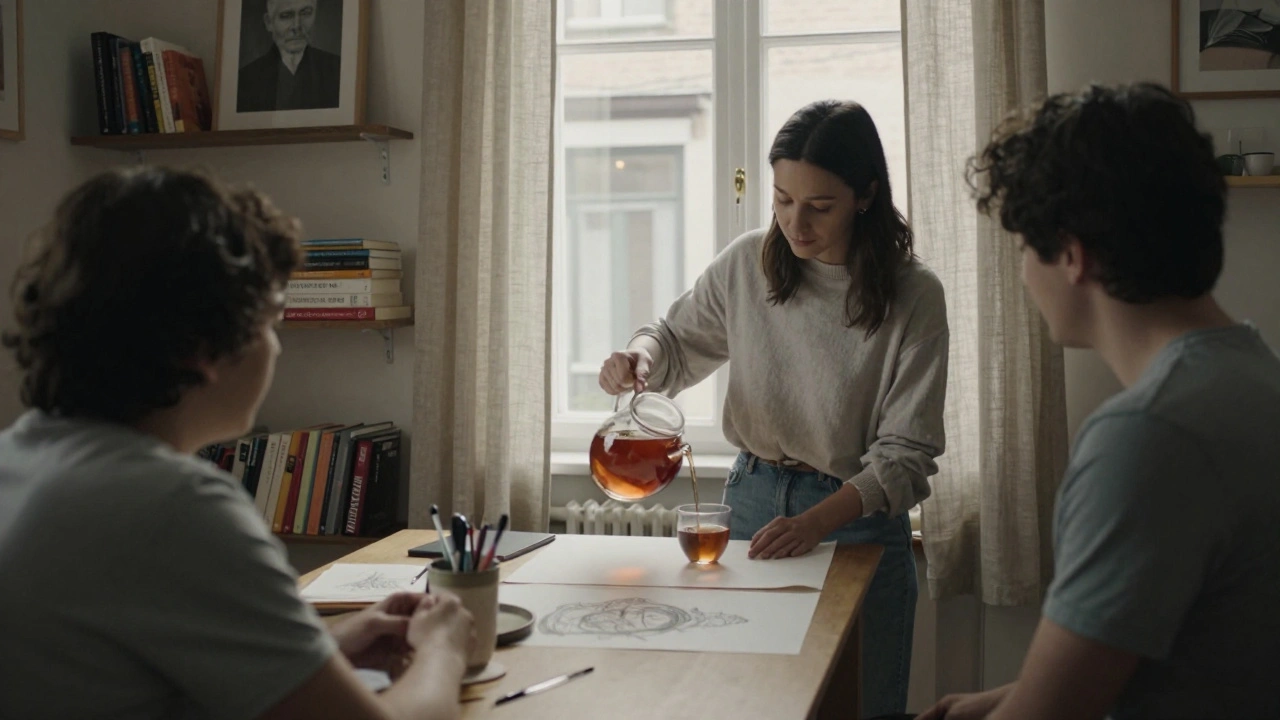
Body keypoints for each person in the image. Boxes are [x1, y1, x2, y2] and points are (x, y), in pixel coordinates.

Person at [0, 167, 473, 720]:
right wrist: (443, 649)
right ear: (203, 343)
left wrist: (323, 648)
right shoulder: (173, 506)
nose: (276, 349)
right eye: (270, 323)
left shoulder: (20, 457)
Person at [921, 83, 1280, 720]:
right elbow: (1180, 657)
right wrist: (999, 700)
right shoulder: (1251, 373)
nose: (1025, 273)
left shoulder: (1150, 435)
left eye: (1025, 248)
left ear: (1072, 256)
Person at [598, 100, 949, 717]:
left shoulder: (914, 295)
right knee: (744, 702)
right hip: (752, 501)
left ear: (865, 195)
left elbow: (905, 457)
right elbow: (673, 339)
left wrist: (817, 523)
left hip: (855, 520)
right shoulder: (748, 262)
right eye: (782, 200)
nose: (795, 223)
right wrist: (639, 359)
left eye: (819, 206)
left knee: (862, 707)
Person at [237, 0, 341, 113]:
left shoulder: (338, 70)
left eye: (306, 13)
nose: (297, 26)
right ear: (269, 23)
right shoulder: (245, 80)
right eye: (286, 16)